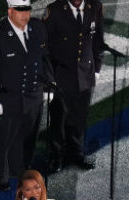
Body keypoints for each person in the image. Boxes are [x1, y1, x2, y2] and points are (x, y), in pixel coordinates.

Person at [0, 0, 54, 190]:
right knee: (4, 138)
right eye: (20, 10)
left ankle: (20, 169)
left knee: (29, 135)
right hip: (8, 96)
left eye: (27, 10)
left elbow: (45, 57)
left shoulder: (37, 27)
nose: (25, 14)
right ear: (10, 11)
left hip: (34, 93)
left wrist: (48, 85)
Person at [43, 0, 106, 172]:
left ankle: (76, 155)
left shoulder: (95, 6)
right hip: (60, 75)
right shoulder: (54, 10)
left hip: (85, 73)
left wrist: (96, 69)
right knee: (59, 119)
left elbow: (98, 41)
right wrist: (49, 80)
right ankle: (56, 157)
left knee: (79, 117)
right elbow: (45, 47)